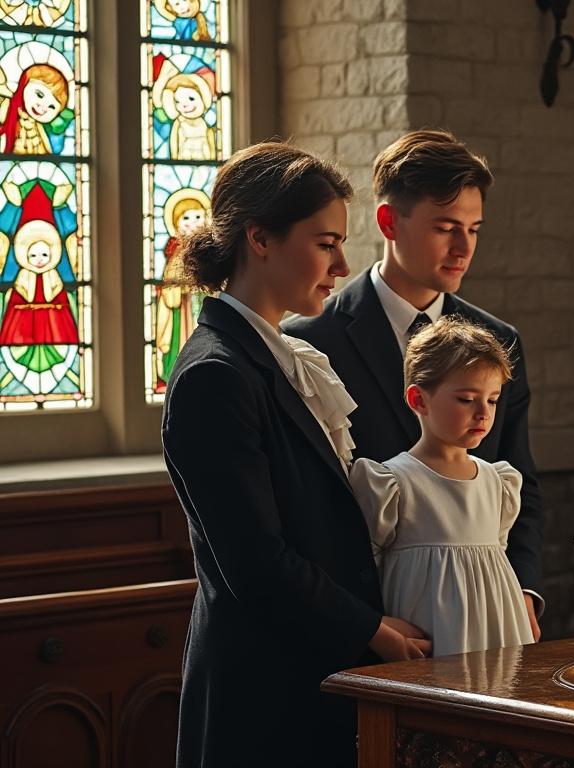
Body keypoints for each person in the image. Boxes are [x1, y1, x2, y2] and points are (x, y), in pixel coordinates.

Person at [161, 142, 430, 768]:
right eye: (324, 242)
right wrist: (371, 628)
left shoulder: (283, 357)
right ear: (259, 238)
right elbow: (256, 562)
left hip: (310, 667)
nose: (342, 264)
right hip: (263, 690)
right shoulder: (216, 374)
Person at [284, 130, 545, 642]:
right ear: (389, 222)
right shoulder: (310, 343)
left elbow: (523, 481)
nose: (464, 247)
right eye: (446, 227)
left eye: (474, 228)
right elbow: (308, 507)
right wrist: (363, 624)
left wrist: (525, 590)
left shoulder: (499, 341)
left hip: (481, 620)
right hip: (359, 628)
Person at [351, 317, 534, 656]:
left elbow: (498, 561)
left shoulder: (499, 483)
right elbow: (362, 569)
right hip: (428, 643)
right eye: (467, 399)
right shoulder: (392, 483)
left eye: (492, 400)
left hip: (497, 635)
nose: (483, 413)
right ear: (419, 400)